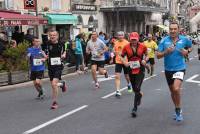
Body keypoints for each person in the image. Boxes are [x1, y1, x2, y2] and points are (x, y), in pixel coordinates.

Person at [156, 21, 192, 122]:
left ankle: (178, 109)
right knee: (172, 91)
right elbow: (158, 56)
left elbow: (190, 46)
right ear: (169, 30)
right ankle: (177, 108)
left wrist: (187, 51)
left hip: (180, 68)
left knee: (176, 89)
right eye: (171, 29)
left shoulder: (184, 39)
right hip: (168, 69)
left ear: (178, 30)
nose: (172, 31)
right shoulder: (164, 41)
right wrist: (166, 52)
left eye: (175, 29)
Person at [121, 32, 149, 118]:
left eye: (135, 40)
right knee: (135, 89)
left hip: (140, 69)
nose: (133, 41)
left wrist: (145, 60)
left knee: (137, 87)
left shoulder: (143, 46)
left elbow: (148, 55)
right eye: (132, 39)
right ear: (130, 39)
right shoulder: (126, 47)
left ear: (137, 39)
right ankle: (139, 95)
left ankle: (134, 108)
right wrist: (125, 62)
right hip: (131, 69)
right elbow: (122, 56)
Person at [47, 30, 67, 109]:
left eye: (54, 35)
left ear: (57, 36)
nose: (52, 37)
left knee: (53, 84)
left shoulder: (61, 44)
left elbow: (65, 52)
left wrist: (64, 55)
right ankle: (62, 84)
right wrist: (44, 57)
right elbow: (46, 53)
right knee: (53, 85)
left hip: (58, 66)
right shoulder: (47, 44)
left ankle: (55, 102)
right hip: (50, 66)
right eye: (51, 35)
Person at [111, 31, 132, 97]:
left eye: (121, 35)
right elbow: (113, 50)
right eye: (119, 35)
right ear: (117, 36)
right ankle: (118, 91)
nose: (120, 36)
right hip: (118, 62)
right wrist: (113, 53)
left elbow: (129, 53)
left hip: (125, 62)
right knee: (117, 76)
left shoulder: (127, 43)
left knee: (127, 76)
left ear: (123, 36)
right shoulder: (116, 42)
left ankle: (129, 84)